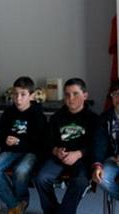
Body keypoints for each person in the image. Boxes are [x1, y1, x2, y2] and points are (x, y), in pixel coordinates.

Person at [33, 78, 99, 214]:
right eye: (67, 94)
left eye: (75, 94)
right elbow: (47, 140)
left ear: (85, 95)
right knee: (41, 178)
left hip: (81, 158)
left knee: (80, 182)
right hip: (58, 157)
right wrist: (55, 150)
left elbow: (96, 144)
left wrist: (79, 153)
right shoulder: (56, 117)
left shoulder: (93, 119)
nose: (71, 98)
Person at [0, 76, 47, 214]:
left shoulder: (38, 115)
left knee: (21, 171)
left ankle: (21, 201)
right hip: (11, 150)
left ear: (31, 96)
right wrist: (5, 140)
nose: (18, 98)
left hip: (31, 152)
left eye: (23, 95)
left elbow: (40, 142)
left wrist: (19, 141)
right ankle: (15, 205)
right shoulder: (8, 113)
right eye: (15, 94)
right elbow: (1, 136)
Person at [92, 80, 119, 200]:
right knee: (101, 178)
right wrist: (98, 165)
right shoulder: (104, 118)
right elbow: (99, 143)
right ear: (111, 97)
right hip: (112, 159)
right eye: (116, 94)